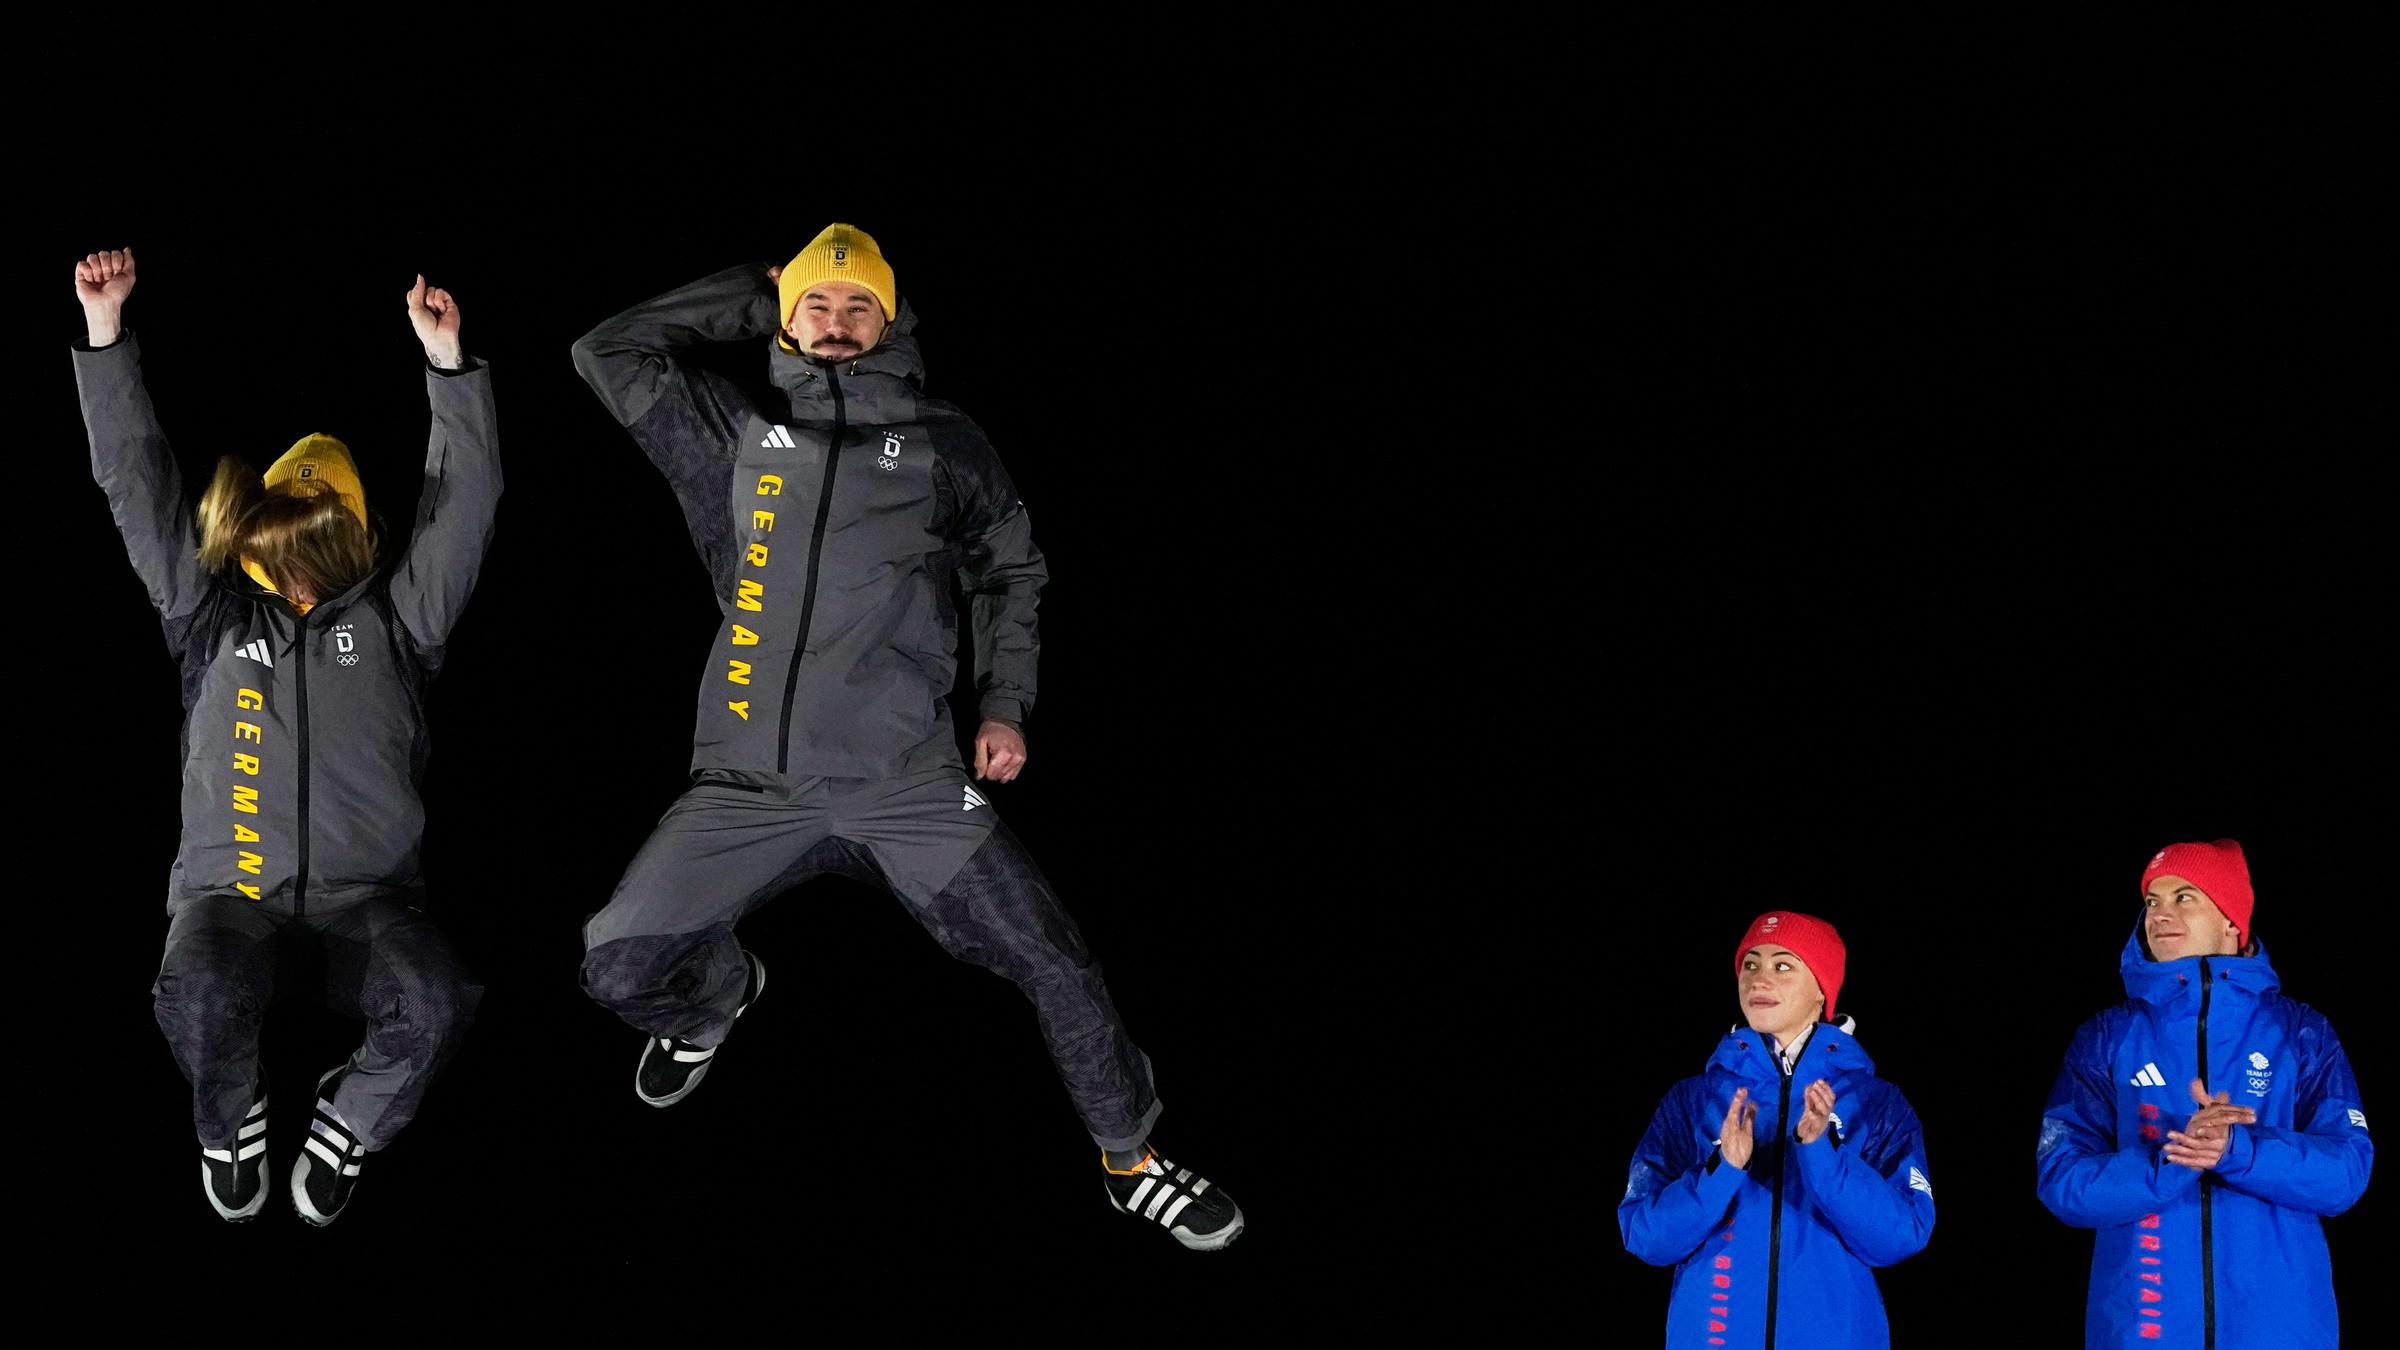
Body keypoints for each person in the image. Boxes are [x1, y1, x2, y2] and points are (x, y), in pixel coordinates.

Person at [568, 223, 1241, 1250]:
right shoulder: (731, 440)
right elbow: (603, 351)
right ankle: (713, 1003)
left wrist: (1006, 706)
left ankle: (1131, 1159)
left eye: (858, 308)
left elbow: (1011, 573)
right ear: (785, 320)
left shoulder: (944, 443)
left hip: (904, 781)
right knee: (614, 965)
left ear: (892, 321)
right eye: (815, 308)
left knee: (1053, 958)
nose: (836, 327)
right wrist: (760, 290)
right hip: (749, 784)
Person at [73, 247, 501, 1226]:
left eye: (323, 528)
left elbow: (466, 505)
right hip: (234, 897)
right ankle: (231, 1126)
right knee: (197, 995)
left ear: (353, 531)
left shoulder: (399, 621)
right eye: (283, 526)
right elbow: (139, 488)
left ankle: (350, 1121)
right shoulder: (210, 614)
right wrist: (105, 339)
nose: (301, 549)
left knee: (437, 998)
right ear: (259, 530)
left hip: (369, 900)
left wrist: (447, 367)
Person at [2036, 840, 2373, 1347]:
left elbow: (2346, 1172)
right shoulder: (2106, 1037)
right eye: (2153, 901)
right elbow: (2062, 1180)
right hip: (2142, 1330)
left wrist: (2240, 1150)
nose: (2160, 914)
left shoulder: (2301, 1032)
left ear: (2232, 925)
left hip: (2281, 1330)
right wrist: (2175, 1158)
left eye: (2184, 897)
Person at [1618, 912, 1936, 1347]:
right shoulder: (1692, 1100)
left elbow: (1902, 1237)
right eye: (1751, 965)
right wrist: (1722, 1169)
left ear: (1822, 989)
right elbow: (1645, 1236)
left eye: (1783, 965)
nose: (1759, 979)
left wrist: (1822, 1154)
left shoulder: (1877, 1103)